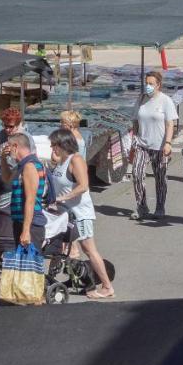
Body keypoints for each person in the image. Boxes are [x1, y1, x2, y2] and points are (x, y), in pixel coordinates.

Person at [48, 128, 114, 299]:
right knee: (64, 249)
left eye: (53, 145)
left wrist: (64, 198)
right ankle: (77, 279)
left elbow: (83, 185)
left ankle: (107, 286)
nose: (51, 148)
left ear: (62, 144)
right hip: (65, 213)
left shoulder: (75, 160)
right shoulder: (61, 160)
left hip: (80, 213)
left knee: (89, 250)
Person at [131, 69, 178, 220]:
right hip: (142, 144)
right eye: (146, 83)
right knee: (137, 174)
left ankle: (160, 206)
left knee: (160, 178)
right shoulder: (141, 99)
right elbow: (135, 120)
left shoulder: (165, 101)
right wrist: (134, 138)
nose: (148, 86)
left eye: (151, 84)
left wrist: (168, 143)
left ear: (158, 85)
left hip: (159, 146)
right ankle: (142, 206)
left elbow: (170, 124)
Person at [0, 133, 48, 248]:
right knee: (22, 265)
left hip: (31, 225)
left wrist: (26, 231)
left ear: (15, 147)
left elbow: (30, 200)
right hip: (21, 222)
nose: (8, 150)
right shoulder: (21, 166)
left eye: (9, 146)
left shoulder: (29, 166)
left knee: (29, 265)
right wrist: (3, 159)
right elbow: (7, 179)